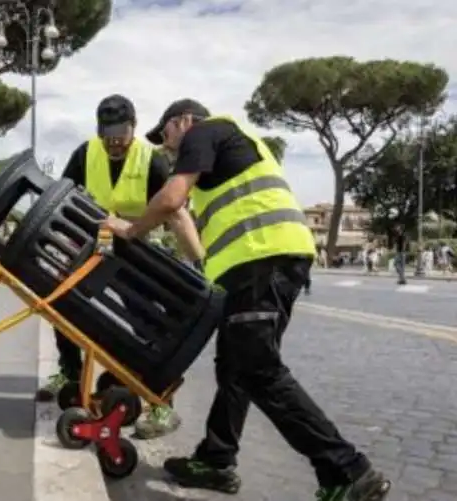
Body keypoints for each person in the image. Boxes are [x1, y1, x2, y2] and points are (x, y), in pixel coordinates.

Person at [103, 98, 391, 501]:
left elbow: (170, 201)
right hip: (255, 265)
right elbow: (184, 221)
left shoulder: (206, 131)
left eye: (166, 136)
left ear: (184, 121)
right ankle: (217, 461)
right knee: (234, 367)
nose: (166, 147)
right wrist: (198, 268)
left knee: (258, 368)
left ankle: (347, 471)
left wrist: (131, 230)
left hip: (264, 259)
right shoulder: (221, 157)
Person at [35, 94, 205, 440]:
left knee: (148, 323)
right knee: (61, 304)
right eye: (106, 134)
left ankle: (161, 404)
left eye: (120, 134)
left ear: (134, 128)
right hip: (90, 244)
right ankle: (69, 372)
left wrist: (196, 262)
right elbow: (61, 195)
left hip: (136, 249)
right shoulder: (85, 153)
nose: (113, 142)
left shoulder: (152, 161)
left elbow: (174, 212)